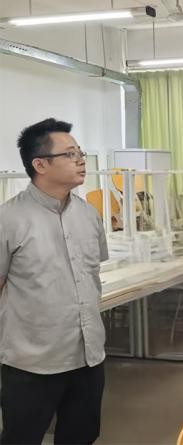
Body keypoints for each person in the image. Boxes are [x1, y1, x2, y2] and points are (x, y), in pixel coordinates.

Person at [0, 118, 108, 443]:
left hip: (88, 356)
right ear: (40, 165)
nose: (81, 160)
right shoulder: (9, 219)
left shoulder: (88, 214)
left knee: (81, 437)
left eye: (80, 152)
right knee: (22, 438)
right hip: (33, 362)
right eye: (70, 154)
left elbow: (92, 274)